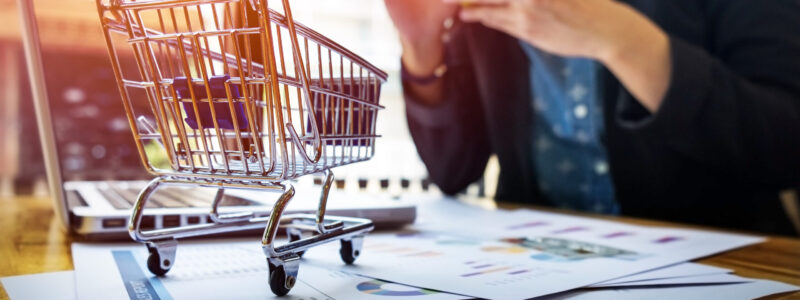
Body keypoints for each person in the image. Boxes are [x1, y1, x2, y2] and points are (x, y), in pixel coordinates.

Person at [383, 0, 800, 235]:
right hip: (538, 264)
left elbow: (785, 147)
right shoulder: (484, 14)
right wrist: (421, 44)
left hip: (725, 261)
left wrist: (627, 43)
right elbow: (453, 171)